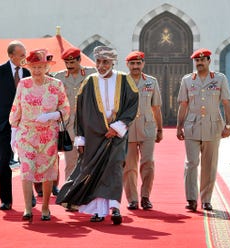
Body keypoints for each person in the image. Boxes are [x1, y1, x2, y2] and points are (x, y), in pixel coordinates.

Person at [56, 46, 139, 225]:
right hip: (94, 135)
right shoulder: (90, 81)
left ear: (113, 63)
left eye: (105, 62)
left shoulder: (124, 80)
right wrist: (81, 138)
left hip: (116, 135)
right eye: (99, 62)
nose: (101, 66)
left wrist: (117, 127)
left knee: (115, 169)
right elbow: (80, 112)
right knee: (94, 171)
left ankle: (115, 207)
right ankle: (98, 211)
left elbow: (132, 105)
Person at [9, 49, 69, 222]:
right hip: (26, 133)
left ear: (46, 67)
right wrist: (13, 132)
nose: (37, 70)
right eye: (34, 67)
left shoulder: (56, 84)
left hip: (48, 135)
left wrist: (51, 116)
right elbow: (16, 107)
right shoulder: (23, 84)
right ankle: (28, 208)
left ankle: (45, 208)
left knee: (47, 171)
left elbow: (65, 109)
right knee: (26, 170)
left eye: (41, 67)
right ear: (29, 67)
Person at [176, 48, 230, 212]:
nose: (199, 63)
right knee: (191, 163)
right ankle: (192, 199)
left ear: (208, 61)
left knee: (209, 164)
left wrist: (228, 125)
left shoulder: (219, 79)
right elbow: (183, 104)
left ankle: (206, 199)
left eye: (202, 60)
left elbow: (226, 103)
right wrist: (179, 126)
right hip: (192, 126)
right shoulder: (187, 80)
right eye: (197, 61)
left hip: (213, 126)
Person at [0, 40, 31, 211]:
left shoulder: (28, 72)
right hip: (5, 122)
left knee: (27, 161)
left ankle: (30, 197)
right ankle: (6, 199)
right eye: (21, 55)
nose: (23, 58)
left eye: (24, 55)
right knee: (4, 161)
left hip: (25, 123)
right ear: (11, 55)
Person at [52, 47, 96, 195]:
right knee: (70, 162)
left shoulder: (91, 74)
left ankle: (86, 193)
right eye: (67, 62)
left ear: (79, 60)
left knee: (88, 162)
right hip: (69, 126)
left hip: (89, 125)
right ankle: (69, 193)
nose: (69, 65)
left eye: (72, 62)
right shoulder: (59, 77)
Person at [123, 51, 163, 210]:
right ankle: (132, 199)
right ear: (127, 65)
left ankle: (145, 196)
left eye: (138, 63)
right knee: (129, 166)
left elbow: (156, 107)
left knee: (148, 163)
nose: (135, 66)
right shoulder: (122, 82)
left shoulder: (151, 82)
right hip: (128, 129)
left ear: (143, 64)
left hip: (147, 127)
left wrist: (160, 129)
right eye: (132, 64)